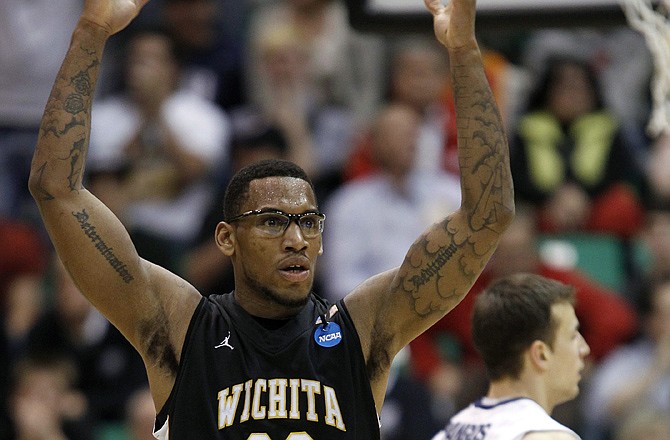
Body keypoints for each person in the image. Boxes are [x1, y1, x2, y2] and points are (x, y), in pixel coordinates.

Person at [28, 0, 514, 438]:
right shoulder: (181, 327)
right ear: (226, 238)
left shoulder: (364, 329)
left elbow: (487, 216)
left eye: (308, 221)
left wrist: (465, 50)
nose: (297, 238)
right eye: (272, 221)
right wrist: (89, 30)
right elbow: (56, 190)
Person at [431, 273, 591, 440]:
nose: (584, 349)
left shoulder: (448, 433)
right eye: (573, 336)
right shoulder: (548, 437)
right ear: (541, 354)